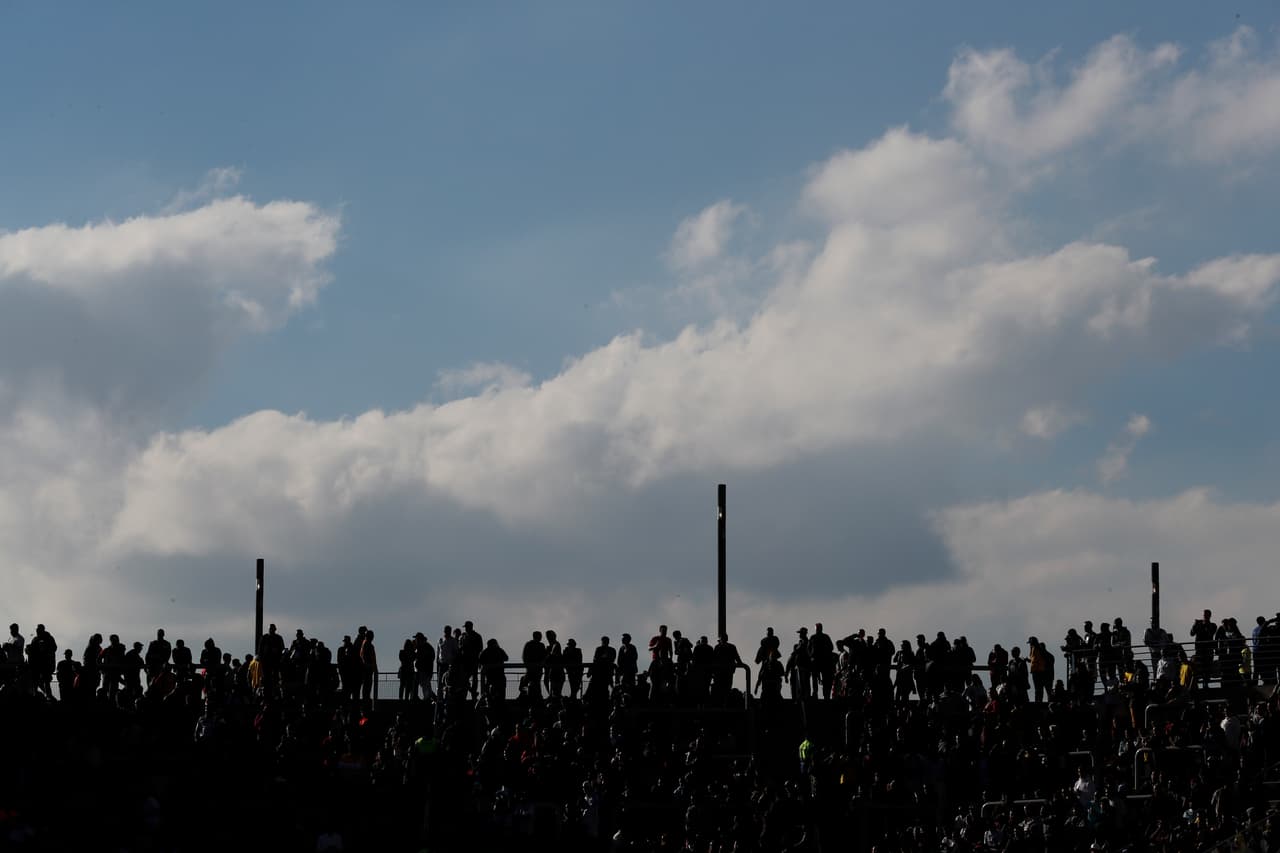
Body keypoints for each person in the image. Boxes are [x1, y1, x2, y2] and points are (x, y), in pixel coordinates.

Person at [809, 624, 835, 700]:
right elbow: (809, 648)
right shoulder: (813, 637)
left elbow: (831, 647)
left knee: (825, 679)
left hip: (824, 661)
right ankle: (815, 694)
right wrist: (811, 656)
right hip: (817, 661)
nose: (818, 629)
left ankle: (825, 695)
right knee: (815, 678)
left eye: (819, 628)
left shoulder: (825, 637)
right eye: (817, 628)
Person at [478, 638, 508, 703]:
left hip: (490, 675)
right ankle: (501, 702)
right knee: (501, 691)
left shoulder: (485, 651)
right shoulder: (499, 650)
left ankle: (489, 701)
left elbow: (480, 660)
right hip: (499, 675)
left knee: (488, 690)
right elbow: (506, 658)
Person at [786, 630, 810, 701]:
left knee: (803, 683)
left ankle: (804, 697)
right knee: (798, 684)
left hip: (804, 666)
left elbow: (801, 651)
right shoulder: (800, 643)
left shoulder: (806, 643)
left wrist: (795, 651)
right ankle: (799, 697)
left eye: (800, 633)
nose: (799, 635)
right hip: (799, 667)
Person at [522, 631, 546, 700]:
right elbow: (544, 657)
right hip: (537, 668)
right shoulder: (541, 645)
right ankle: (537, 697)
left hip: (531, 668)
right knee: (536, 683)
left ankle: (527, 696)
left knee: (528, 683)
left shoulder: (528, 644)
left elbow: (524, 656)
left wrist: (527, 665)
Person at [414, 633, 435, 700]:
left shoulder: (425, 647)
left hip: (425, 670)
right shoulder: (425, 647)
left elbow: (427, 658)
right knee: (426, 685)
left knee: (425, 685)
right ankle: (432, 697)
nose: (415, 640)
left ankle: (427, 698)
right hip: (423, 670)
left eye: (417, 639)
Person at [543, 630, 564, 698]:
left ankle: (552, 697)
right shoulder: (551, 646)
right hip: (552, 672)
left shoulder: (556, 645)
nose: (548, 638)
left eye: (549, 636)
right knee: (554, 692)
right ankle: (551, 696)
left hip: (556, 671)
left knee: (555, 692)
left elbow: (552, 656)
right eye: (548, 637)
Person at [359, 630, 378, 706]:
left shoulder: (364, 644)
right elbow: (371, 657)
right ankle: (366, 698)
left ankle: (366, 698)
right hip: (368, 668)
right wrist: (373, 666)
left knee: (366, 685)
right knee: (368, 684)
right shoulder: (369, 645)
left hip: (365, 668)